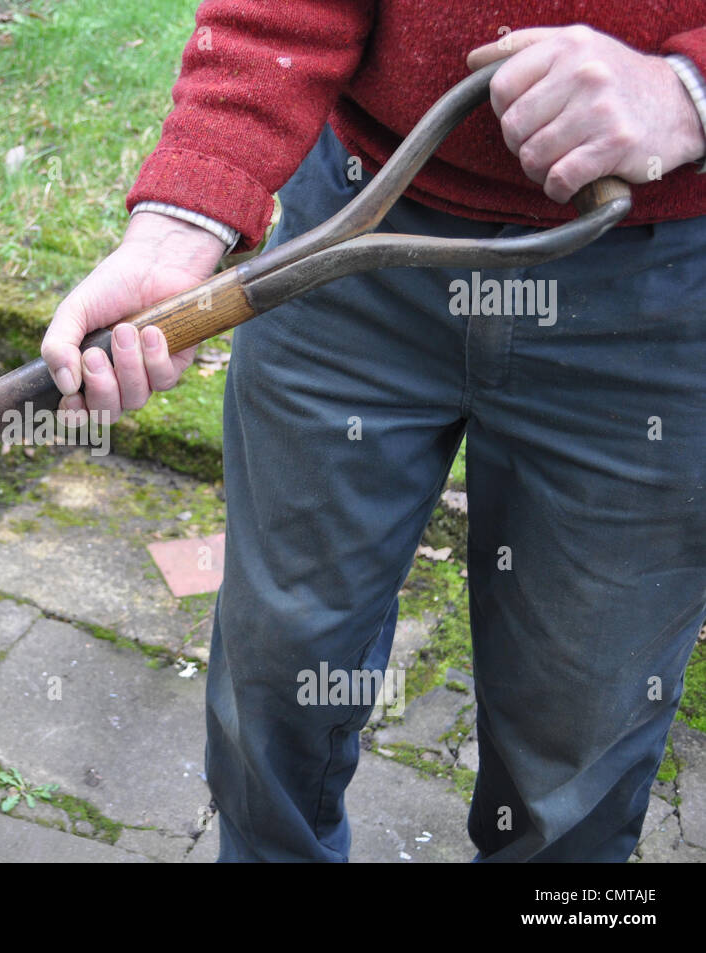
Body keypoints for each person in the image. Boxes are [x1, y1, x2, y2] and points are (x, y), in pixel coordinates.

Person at [41, 4, 706, 861]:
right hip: (358, 230)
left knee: (583, 727)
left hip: (659, 288)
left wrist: (686, 89)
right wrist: (180, 221)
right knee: (279, 664)